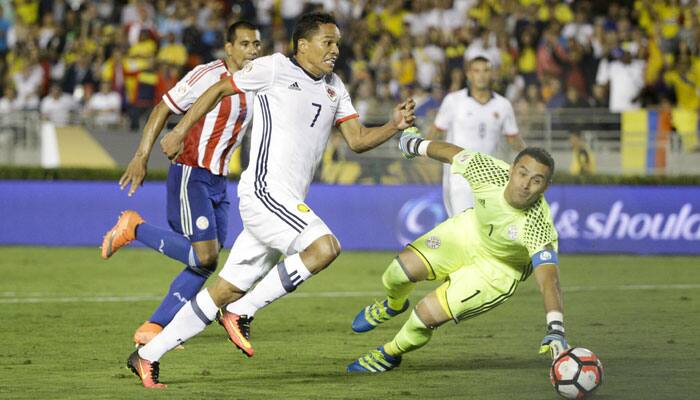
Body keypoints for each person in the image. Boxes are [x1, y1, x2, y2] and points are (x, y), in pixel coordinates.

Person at [126, 12, 415, 389]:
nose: (335, 50)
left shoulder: (334, 86)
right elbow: (218, 89)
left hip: (284, 201)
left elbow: (357, 140)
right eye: (327, 42)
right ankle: (242, 312)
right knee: (325, 247)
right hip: (264, 190)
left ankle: (147, 355)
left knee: (222, 289)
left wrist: (393, 126)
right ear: (302, 45)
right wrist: (180, 130)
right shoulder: (275, 68)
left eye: (338, 43)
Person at [347, 129, 568, 373]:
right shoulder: (488, 170)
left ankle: (389, 354)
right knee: (397, 273)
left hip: (496, 271)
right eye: (522, 173)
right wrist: (415, 145)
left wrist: (555, 327)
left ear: (546, 187)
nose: (525, 184)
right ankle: (393, 304)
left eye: (536, 180)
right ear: (511, 169)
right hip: (467, 233)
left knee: (425, 316)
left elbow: (549, 280)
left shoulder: (538, 224)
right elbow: (452, 153)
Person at [100, 21, 262, 346]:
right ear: (229, 48)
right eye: (245, 44)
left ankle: (155, 326)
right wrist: (141, 155)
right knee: (204, 256)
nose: (252, 50)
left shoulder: (258, 82)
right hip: (191, 172)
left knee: (208, 260)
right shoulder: (207, 75)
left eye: (256, 44)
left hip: (219, 179)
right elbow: (163, 107)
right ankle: (134, 229)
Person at [429, 55, 525, 218]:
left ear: (492, 74)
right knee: (464, 226)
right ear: (469, 74)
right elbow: (435, 132)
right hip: (459, 176)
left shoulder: (503, 105)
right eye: (476, 71)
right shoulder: (453, 101)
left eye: (486, 70)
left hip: (490, 177)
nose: (481, 75)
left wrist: (530, 158)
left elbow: (513, 139)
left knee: (486, 231)